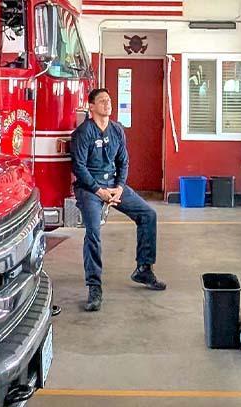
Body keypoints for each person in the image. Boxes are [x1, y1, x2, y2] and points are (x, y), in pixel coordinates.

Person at [70, 88, 166, 312]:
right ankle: (94, 287)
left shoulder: (116, 130)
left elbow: (124, 162)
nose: (107, 104)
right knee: (93, 231)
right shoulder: (83, 133)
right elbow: (79, 167)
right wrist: (98, 191)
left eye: (109, 101)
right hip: (89, 189)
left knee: (148, 215)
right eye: (102, 101)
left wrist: (120, 188)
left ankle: (144, 269)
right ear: (91, 107)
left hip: (114, 186)